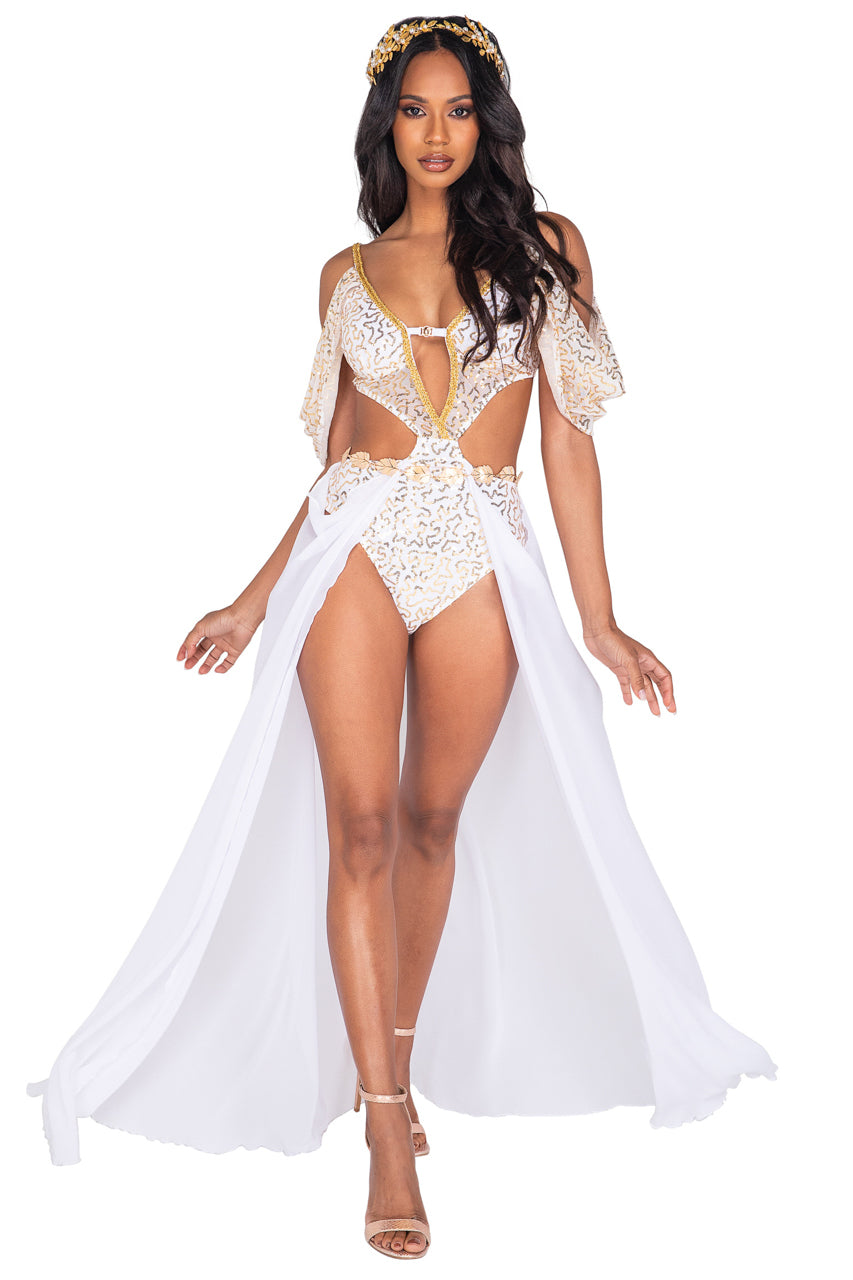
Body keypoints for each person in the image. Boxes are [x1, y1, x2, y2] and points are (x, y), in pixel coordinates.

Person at [27, 15, 777, 1262]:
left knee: (432, 820)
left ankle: (399, 1054)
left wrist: (598, 620)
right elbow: (338, 459)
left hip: (483, 543)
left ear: (488, 124)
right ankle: (384, 1123)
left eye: (458, 110)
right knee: (362, 824)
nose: (437, 133)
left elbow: (567, 442)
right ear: (388, 128)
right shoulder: (344, 271)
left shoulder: (547, 248)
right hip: (357, 547)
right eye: (416, 111)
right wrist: (254, 597)